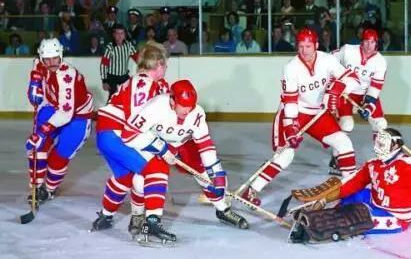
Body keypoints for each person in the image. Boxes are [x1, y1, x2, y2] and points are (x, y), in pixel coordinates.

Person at [289, 128, 411, 243]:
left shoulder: (410, 166)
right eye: (378, 143)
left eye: (383, 144)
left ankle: (313, 228)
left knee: (355, 217)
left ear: (395, 146)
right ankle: (322, 212)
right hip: (374, 200)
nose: (378, 148)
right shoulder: (374, 164)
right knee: (350, 197)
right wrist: (324, 199)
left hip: (395, 217)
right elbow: (351, 185)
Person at [240, 28, 361, 206]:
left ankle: (350, 190)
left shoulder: (328, 60)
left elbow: (354, 80)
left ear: (316, 46)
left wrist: (337, 88)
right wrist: (290, 128)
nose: (304, 51)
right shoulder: (291, 67)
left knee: (344, 143)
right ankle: (251, 190)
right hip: (294, 113)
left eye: (308, 46)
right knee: (285, 156)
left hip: (317, 113)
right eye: (301, 46)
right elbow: (290, 101)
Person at [122, 80, 249, 230]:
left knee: (209, 178)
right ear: (172, 99)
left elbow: (205, 145)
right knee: (141, 181)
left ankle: (223, 210)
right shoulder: (155, 107)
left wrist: (216, 173)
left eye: (191, 106)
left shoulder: (197, 113)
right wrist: (162, 149)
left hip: (184, 144)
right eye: (183, 106)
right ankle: (137, 214)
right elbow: (128, 135)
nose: (188, 111)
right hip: (156, 143)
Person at [91, 43, 174, 246]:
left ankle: (105, 215)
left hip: (107, 135)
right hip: (118, 134)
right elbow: (136, 122)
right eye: (165, 65)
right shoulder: (145, 83)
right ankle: (149, 220)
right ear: (160, 64)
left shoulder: (134, 81)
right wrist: (162, 147)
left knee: (125, 176)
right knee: (156, 167)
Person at [25, 38, 94, 206]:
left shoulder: (66, 75)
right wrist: (34, 80)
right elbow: (36, 65)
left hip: (77, 116)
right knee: (37, 146)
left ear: (61, 56)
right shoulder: (40, 63)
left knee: (58, 158)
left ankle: (48, 189)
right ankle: (36, 186)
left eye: (55, 58)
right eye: (47, 59)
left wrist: (42, 131)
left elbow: (65, 114)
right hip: (54, 107)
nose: (51, 62)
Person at [328, 28, 387, 175]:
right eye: (366, 41)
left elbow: (375, 87)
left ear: (376, 43)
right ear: (362, 41)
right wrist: (332, 81)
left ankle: (381, 158)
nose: (369, 45)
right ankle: (336, 158)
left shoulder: (380, 62)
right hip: (346, 92)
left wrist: (368, 106)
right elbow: (328, 60)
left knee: (380, 124)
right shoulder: (348, 50)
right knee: (347, 124)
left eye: (372, 42)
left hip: (365, 94)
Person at [100, 24, 137, 101]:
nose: (120, 36)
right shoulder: (110, 47)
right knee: (114, 96)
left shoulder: (129, 45)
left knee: (128, 95)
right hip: (112, 77)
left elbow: (137, 58)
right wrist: (104, 81)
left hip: (124, 76)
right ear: (114, 35)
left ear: (125, 35)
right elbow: (103, 65)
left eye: (122, 33)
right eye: (117, 33)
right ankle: (107, 111)